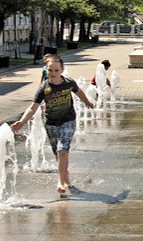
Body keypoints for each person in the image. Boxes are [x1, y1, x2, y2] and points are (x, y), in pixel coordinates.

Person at [10, 56, 93, 194]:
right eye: (50, 70)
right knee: (58, 153)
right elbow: (32, 107)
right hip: (51, 124)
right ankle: (66, 177)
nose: (53, 73)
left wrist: (87, 101)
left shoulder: (68, 83)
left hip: (68, 120)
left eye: (56, 70)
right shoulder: (44, 88)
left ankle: (60, 181)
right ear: (46, 70)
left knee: (62, 150)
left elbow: (79, 92)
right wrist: (22, 121)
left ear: (62, 70)